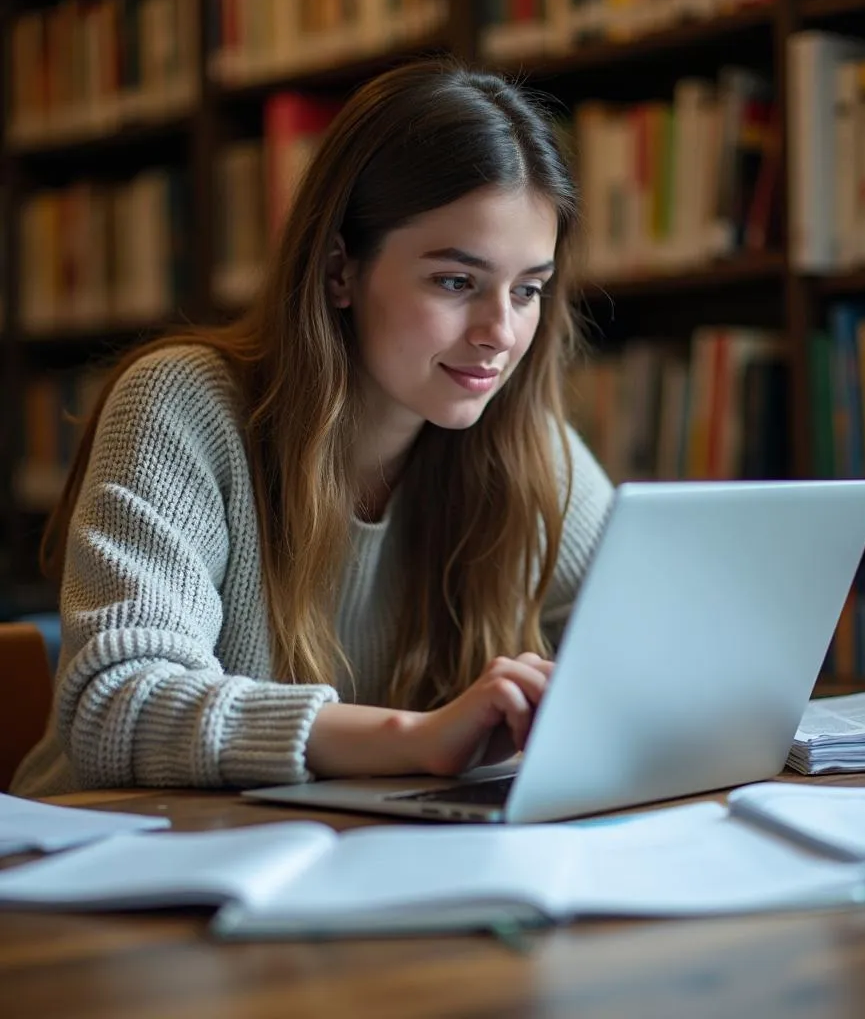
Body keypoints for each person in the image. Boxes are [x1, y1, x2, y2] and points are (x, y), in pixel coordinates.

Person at [12, 58, 614, 798]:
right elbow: (114, 706)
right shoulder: (183, 407)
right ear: (339, 271)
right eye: (456, 282)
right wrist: (415, 738)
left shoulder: (525, 443)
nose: (501, 332)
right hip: (114, 876)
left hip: (357, 859)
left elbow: (648, 640)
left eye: (528, 290)